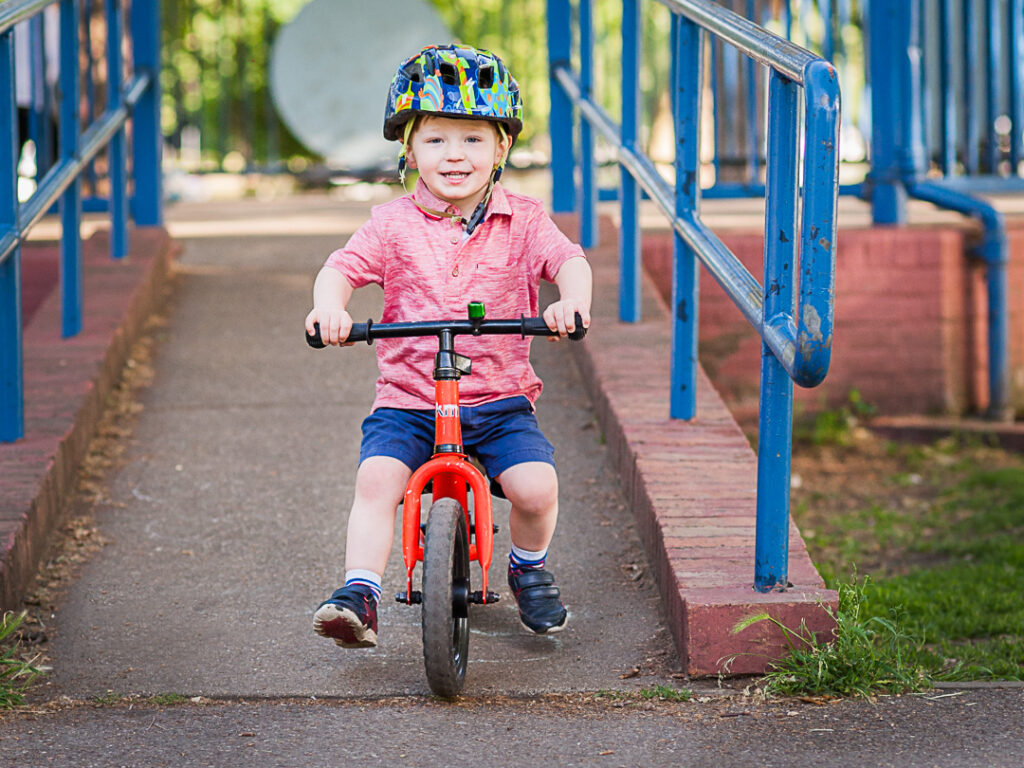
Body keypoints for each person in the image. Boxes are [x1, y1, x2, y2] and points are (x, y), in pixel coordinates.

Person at [305, 44, 592, 649]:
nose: (454, 155)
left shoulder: (526, 219)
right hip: (409, 398)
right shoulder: (391, 224)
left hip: (498, 396)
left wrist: (570, 300)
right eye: (435, 140)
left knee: (536, 488)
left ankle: (528, 566)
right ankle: (359, 593)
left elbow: (568, 261)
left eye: (472, 139)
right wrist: (329, 307)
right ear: (409, 151)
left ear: (501, 149)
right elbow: (342, 267)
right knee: (378, 480)